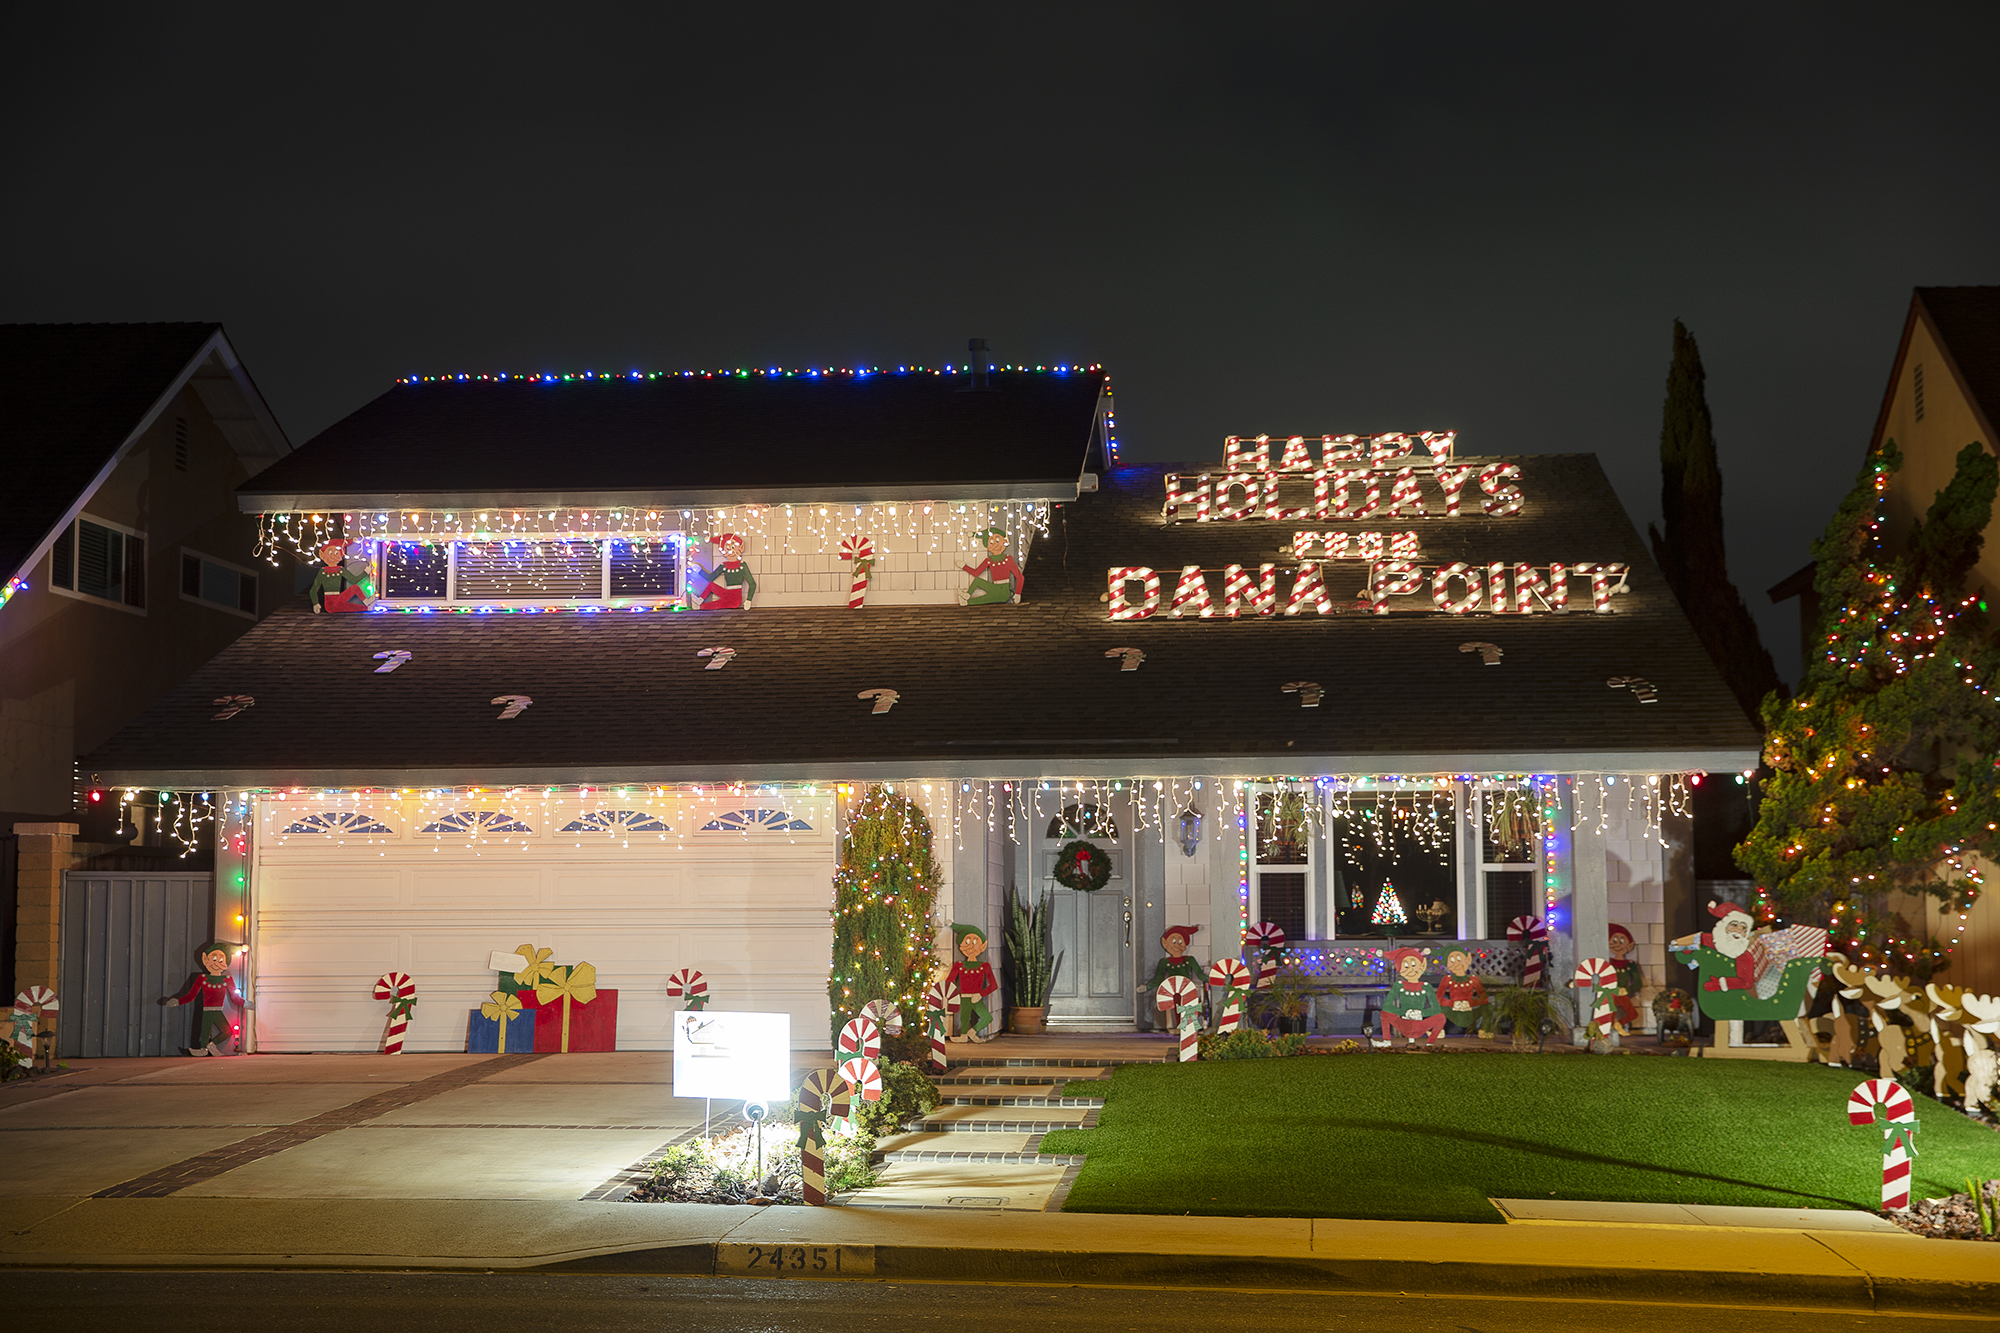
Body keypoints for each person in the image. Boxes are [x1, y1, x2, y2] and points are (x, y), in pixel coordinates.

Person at [161, 942, 243, 1056]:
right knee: (205, 1032)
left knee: (228, 1031)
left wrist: (245, 1003)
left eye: (221, 961)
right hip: (207, 1011)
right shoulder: (202, 978)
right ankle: (204, 1048)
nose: (216, 964)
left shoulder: (227, 979)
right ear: (205, 959)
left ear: (226, 964)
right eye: (213, 959)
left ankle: (211, 1045)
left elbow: (235, 997)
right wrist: (178, 1001)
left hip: (218, 1011)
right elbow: (191, 995)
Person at [1376, 947, 1445, 1047]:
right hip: (1403, 1023)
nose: (1411, 970)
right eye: (1406, 967)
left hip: (1420, 1025)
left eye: (1414, 965)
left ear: (1422, 966)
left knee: (1440, 1017)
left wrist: (1420, 1013)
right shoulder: (1399, 985)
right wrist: (1405, 1012)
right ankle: (1386, 1042)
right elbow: (1387, 1006)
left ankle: (1430, 1043)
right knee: (1385, 1014)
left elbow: (1436, 1009)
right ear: (1400, 970)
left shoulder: (1426, 986)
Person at [1695, 901, 1759, 993]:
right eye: (1734, 925)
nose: (1738, 930)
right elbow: (1690, 942)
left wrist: (1720, 984)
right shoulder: (1710, 939)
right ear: (1724, 924)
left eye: (1743, 928)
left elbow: (1747, 983)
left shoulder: (1744, 957)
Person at [947, 924, 997, 1042]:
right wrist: (950, 995)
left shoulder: (984, 966)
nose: (970, 946)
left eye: (974, 942)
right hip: (964, 996)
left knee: (987, 1018)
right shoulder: (959, 965)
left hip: (977, 997)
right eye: (967, 942)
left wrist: (980, 995)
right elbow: (950, 981)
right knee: (964, 1018)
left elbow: (993, 985)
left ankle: (972, 1031)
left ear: (982, 946)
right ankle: (964, 1036)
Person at [960, 528, 1023, 606]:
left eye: (997, 540)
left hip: (1003, 591)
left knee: (984, 599)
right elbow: (976, 573)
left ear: (1004, 541)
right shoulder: (989, 560)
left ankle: (966, 602)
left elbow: (1020, 577)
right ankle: (967, 595)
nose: (995, 545)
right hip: (994, 587)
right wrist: (964, 566)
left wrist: (1018, 593)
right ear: (987, 546)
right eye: (991, 542)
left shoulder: (1007, 558)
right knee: (977, 580)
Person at [694, 533, 757, 609]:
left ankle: (699, 605)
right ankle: (699, 600)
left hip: (735, 600)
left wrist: (748, 600)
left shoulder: (742, 565)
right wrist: (699, 570)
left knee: (704, 607)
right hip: (726, 594)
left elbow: (752, 584)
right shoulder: (724, 566)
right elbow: (711, 578)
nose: (731, 551)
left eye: (733, 547)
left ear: (741, 547)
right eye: (727, 548)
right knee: (710, 586)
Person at [1436, 945, 1488, 1034]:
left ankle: (1484, 1029)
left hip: (1469, 1012)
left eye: (1459, 960)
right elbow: (1438, 999)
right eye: (1451, 961)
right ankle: (1438, 1029)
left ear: (1467, 960)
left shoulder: (1473, 979)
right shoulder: (1447, 979)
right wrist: (1453, 1004)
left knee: (1488, 1007)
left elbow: (1484, 998)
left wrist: (1469, 1003)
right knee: (1453, 1029)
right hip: (1454, 1013)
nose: (1456, 964)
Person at [308, 540, 369, 613]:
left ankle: (368, 603)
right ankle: (368, 603)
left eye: (336, 553)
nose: (333, 556)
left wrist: (365, 573)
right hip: (330, 604)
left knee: (364, 607)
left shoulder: (340, 569)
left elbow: (354, 580)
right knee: (360, 603)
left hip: (339, 600)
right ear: (322, 555)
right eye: (330, 553)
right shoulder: (323, 571)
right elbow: (313, 590)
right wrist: (316, 604)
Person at [1606, 924, 1645, 1031]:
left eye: (1622, 941)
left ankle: (1618, 1025)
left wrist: (1627, 990)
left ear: (1629, 945)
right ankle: (1610, 1031)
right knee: (1610, 1014)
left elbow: (1638, 984)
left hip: (1622, 994)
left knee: (1632, 1014)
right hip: (1611, 993)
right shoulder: (1608, 963)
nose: (1618, 944)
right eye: (1614, 940)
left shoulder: (1630, 964)